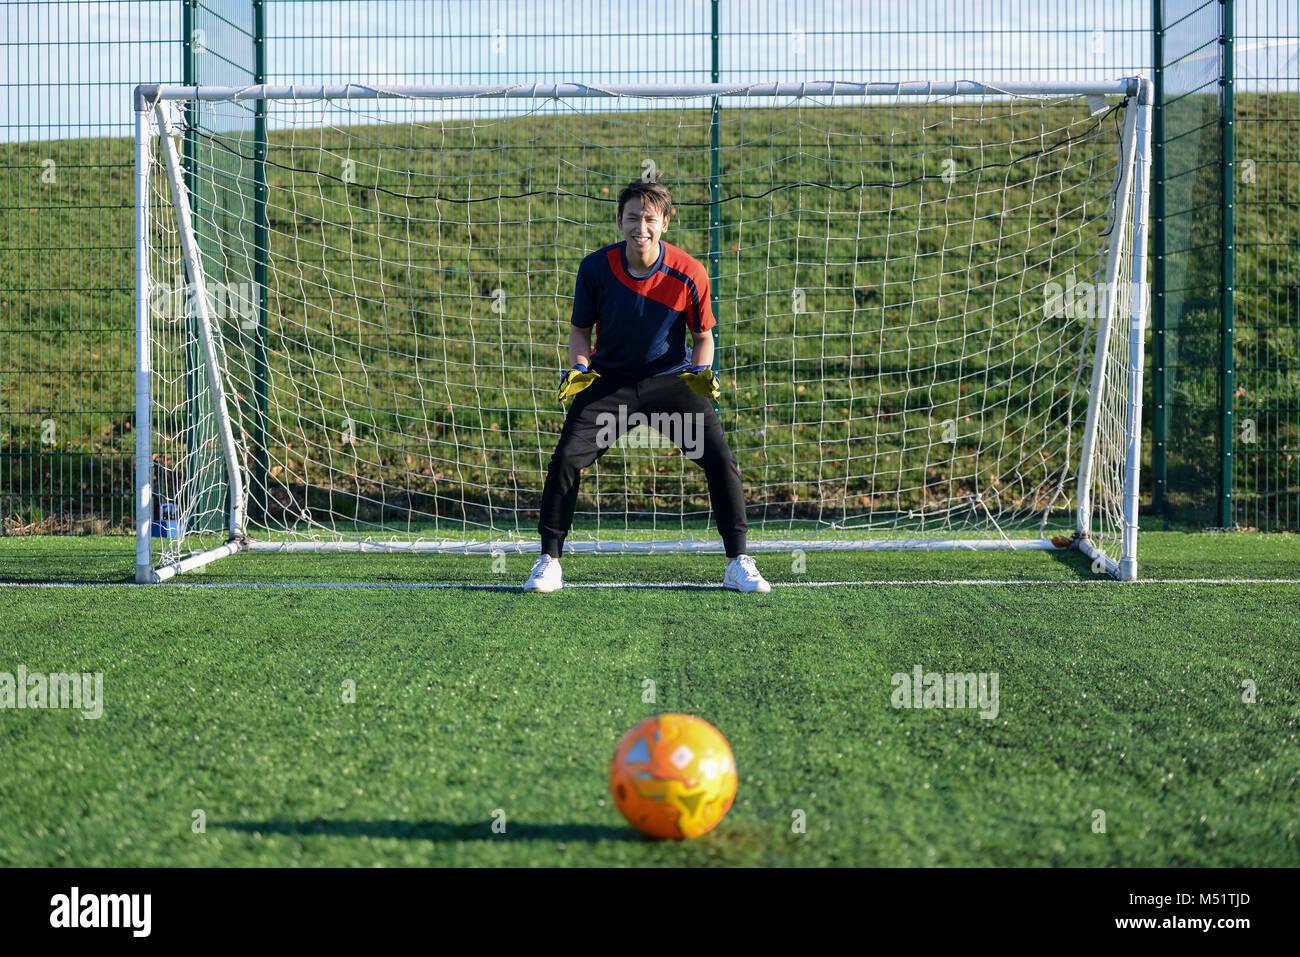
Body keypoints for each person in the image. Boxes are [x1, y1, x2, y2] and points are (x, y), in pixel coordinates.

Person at [524, 180, 769, 594]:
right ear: (619, 220)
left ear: (665, 223)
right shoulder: (595, 268)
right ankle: (549, 560)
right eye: (633, 217)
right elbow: (580, 331)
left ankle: (737, 561)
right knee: (566, 458)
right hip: (609, 384)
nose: (642, 226)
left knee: (720, 459)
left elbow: (703, 336)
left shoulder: (690, 271)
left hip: (671, 382)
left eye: (650, 218)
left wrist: (701, 369)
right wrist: (579, 367)